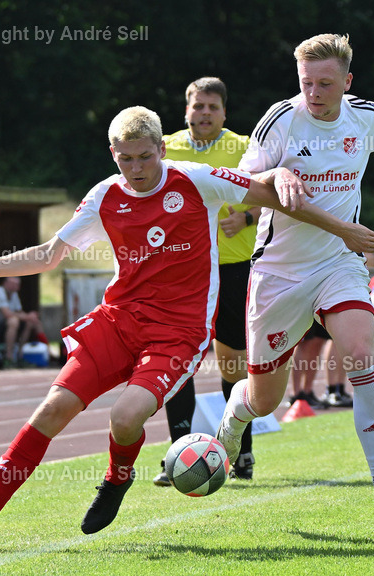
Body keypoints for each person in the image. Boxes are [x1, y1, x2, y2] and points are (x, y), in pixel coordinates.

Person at [0, 106, 374, 552]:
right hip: (116, 321)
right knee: (50, 411)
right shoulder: (105, 196)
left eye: (145, 156)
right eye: (126, 159)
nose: (137, 168)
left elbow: (269, 196)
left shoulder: (195, 179)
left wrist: (342, 229)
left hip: (178, 333)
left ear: (162, 148)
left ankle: (117, 478)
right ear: (112, 154)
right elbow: (49, 255)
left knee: (124, 419)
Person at [216, 33, 374, 530]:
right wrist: (278, 174)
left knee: (359, 357)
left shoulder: (363, 115)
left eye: (325, 83)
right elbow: (237, 189)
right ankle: (235, 419)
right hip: (279, 273)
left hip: (339, 264)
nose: (314, 93)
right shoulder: (280, 120)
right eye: (306, 82)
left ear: (347, 82)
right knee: (265, 399)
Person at [153, 77, 259, 485]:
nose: (205, 114)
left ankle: (240, 453)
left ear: (224, 113)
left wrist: (246, 217)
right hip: (184, 271)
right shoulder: (165, 147)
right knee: (178, 361)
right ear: (186, 110)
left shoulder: (244, 146)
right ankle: (177, 455)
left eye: (213, 107)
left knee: (233, 363)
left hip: (235, 269)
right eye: (198, 107)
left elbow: (274, 192)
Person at [0, 276, 44, 365]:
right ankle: (9, 357)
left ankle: (20, 356)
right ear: (5, 283)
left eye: (16, 284)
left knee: (29, 322)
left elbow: (20, 312)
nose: (14, 286)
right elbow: (7, 314)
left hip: (0, 330)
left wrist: (31, 317)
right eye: (12, 283)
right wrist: (28, 316)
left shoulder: (14, 294)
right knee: (13, 321)